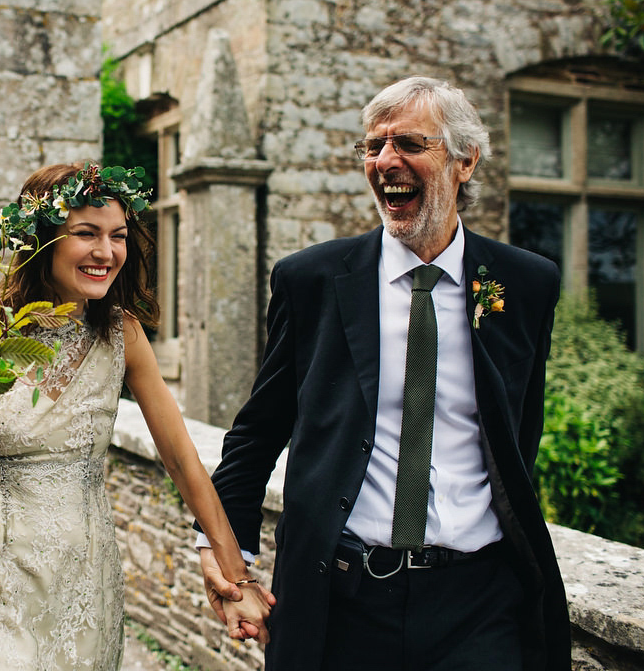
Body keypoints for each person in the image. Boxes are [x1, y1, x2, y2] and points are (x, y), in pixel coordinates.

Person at [198, 77, 570, 670]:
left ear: (465, 160)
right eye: (373, 146)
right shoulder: (311, 280)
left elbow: (520, 431)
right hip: (343, 599)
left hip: (480, 603)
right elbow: (257, 434)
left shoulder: (525, 284)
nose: (385, 161)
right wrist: (224, 554)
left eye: (409, 145)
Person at [0, 162, 273, 670]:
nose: (106, 252)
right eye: (86, 234)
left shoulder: (123, 335)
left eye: (118, 236)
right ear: (41, 239)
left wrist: (236, 577)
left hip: (84, 578)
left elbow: (183, 460)